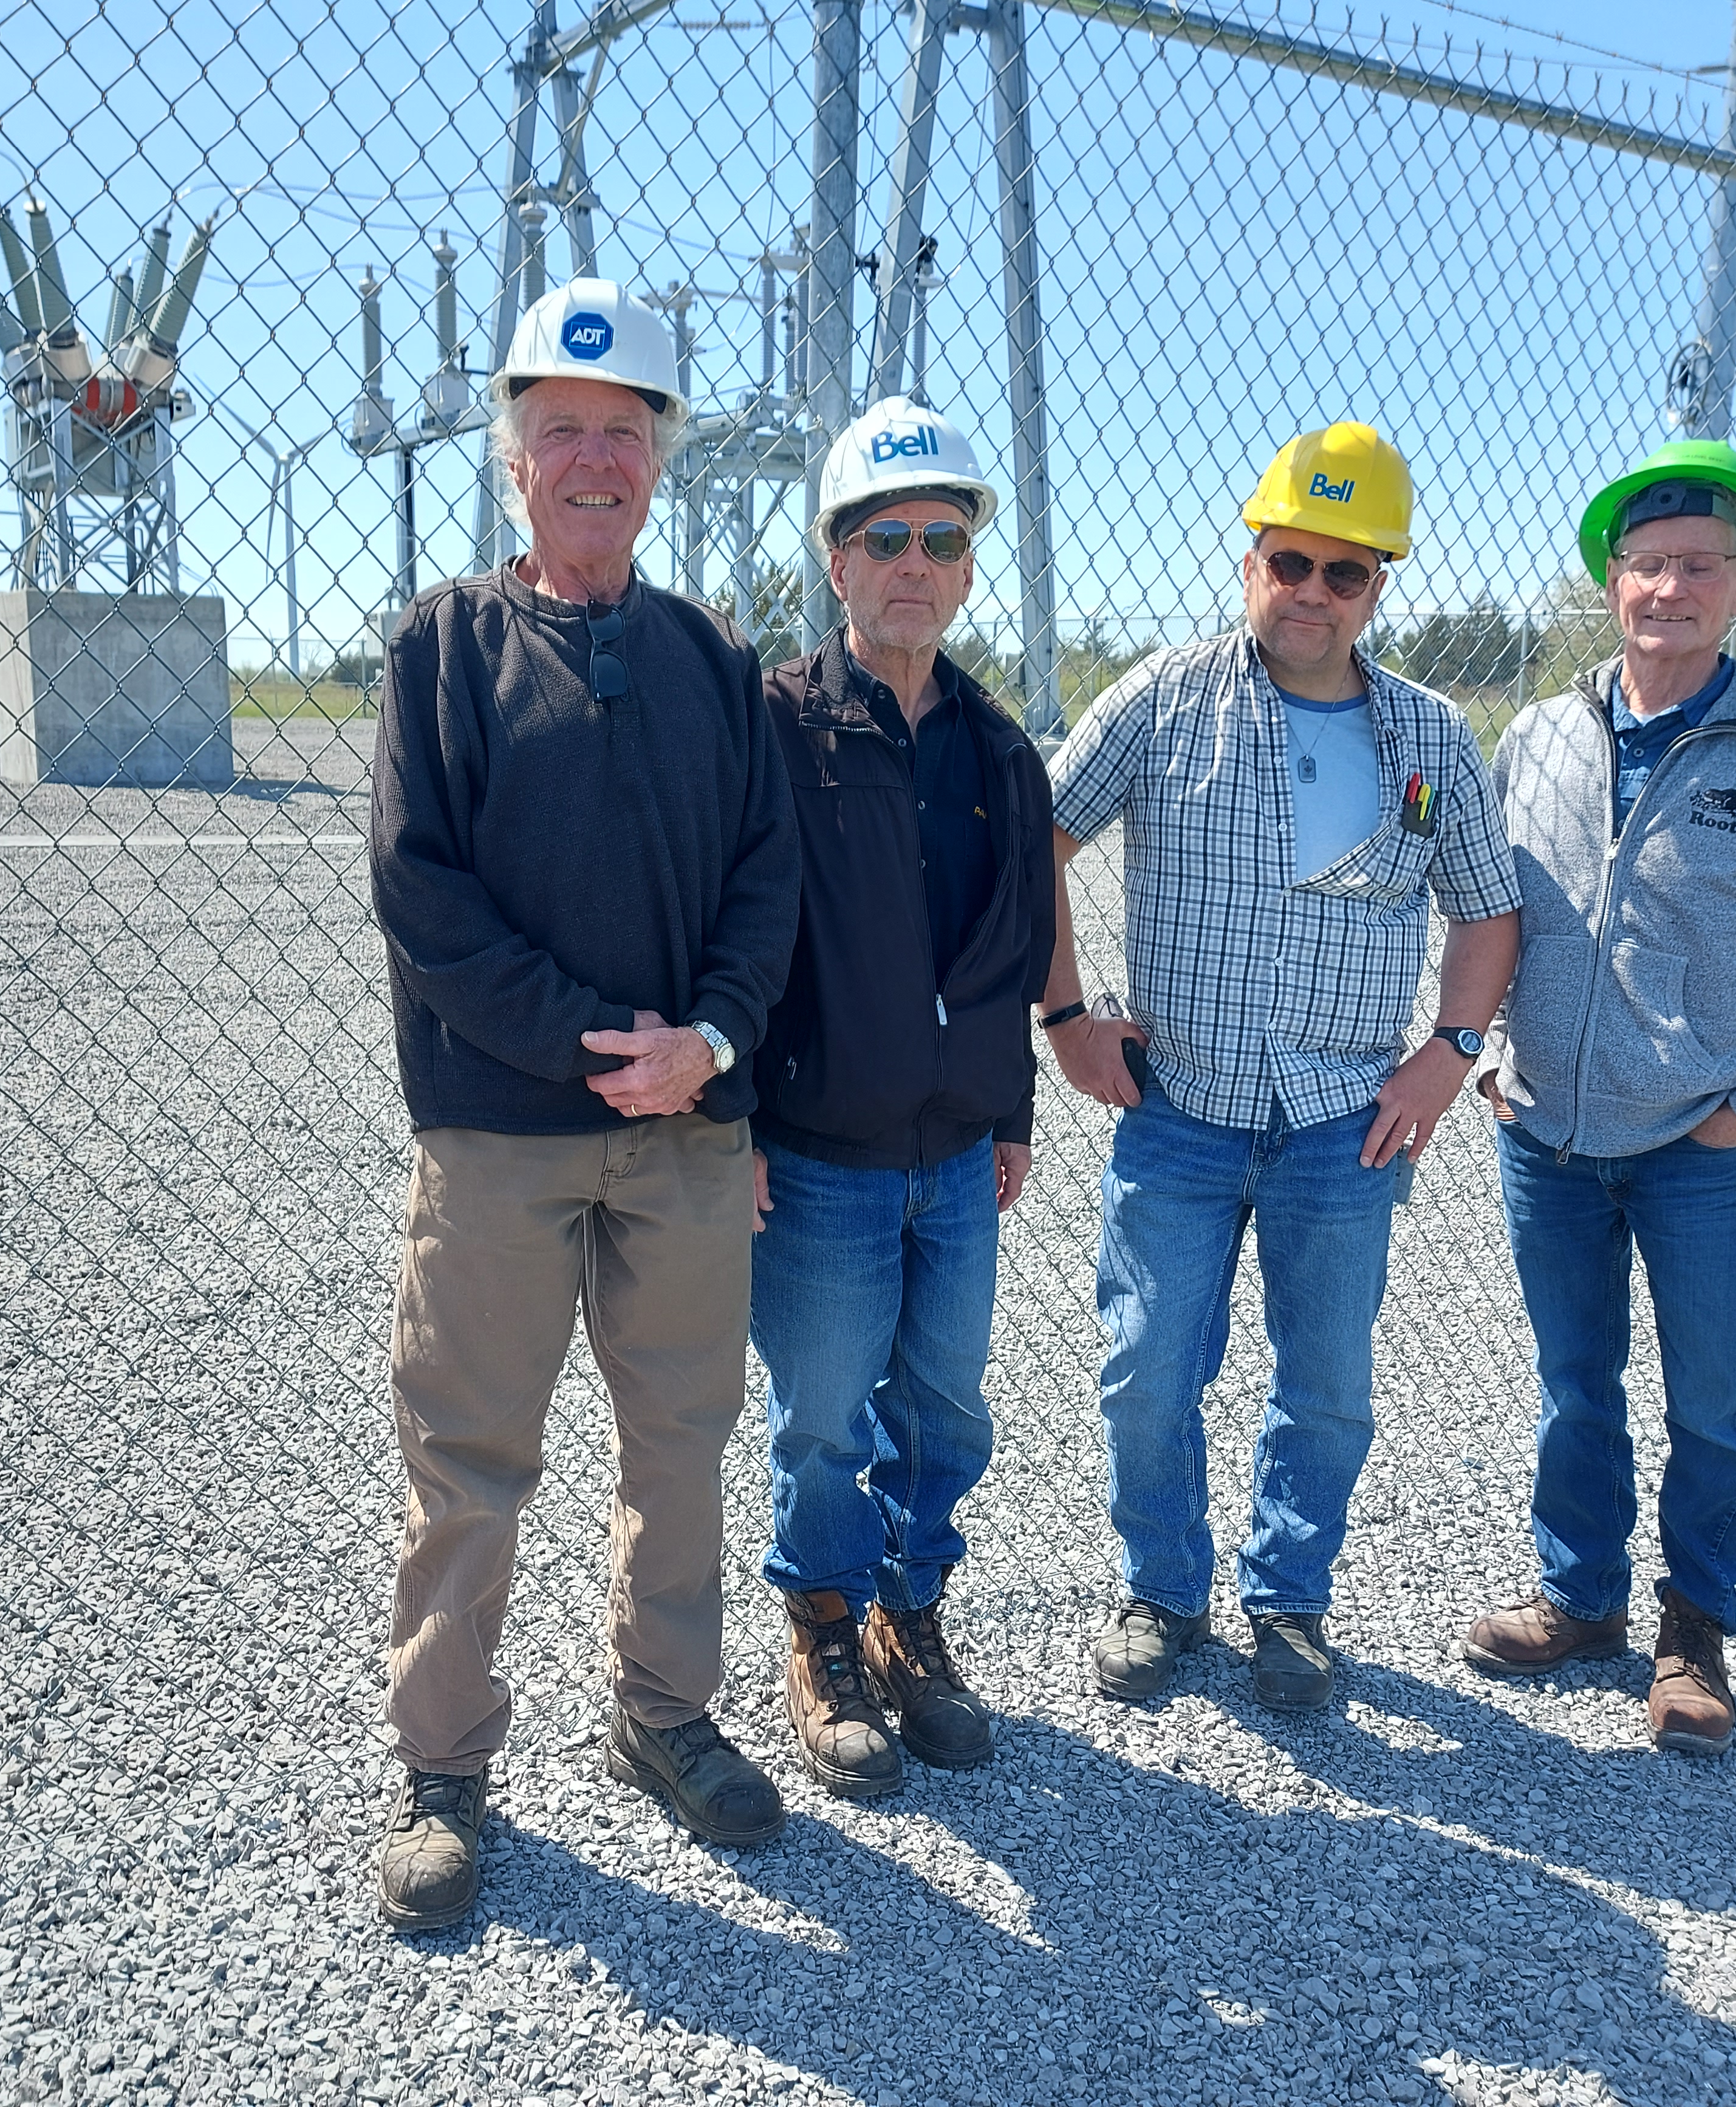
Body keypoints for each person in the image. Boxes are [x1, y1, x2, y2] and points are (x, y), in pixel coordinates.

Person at [366, 278, 801, 1930]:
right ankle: (445, 1767)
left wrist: (710, 1036)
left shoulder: (708, 655)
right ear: (515, 457)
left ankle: (663, 1717)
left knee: (679, 1437)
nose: (597, 460)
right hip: (499, 1131)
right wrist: (584, 1038)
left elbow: (767, 879)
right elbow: (422, 891)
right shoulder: (447, 646)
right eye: (564, 432)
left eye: (627, 432)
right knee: (471, 1450)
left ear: (662, 458)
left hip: (689, 1129)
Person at [1040, 422, 1523, 1713]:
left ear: (1378, 586)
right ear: (1247, 560)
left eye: (1342, 572)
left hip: (1342, 1121)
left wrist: (1450, 1051)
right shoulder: (1160, 700)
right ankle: (1159, 1589)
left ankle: (1290, 1603)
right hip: (1180, 1106)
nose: (1309, 592)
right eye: (1287, 561)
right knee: (1146, 1373)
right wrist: (1067, 1018)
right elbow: (1035, 841)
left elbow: (1484, 909)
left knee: (1324, 1384)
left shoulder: (1428, 738)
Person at [1460, 440, 1736, 1758]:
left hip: (1703, 1152)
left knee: (1714, 1398)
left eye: (1695, 567)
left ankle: (1693, 1631)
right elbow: (1486, 908)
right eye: (1645, 565)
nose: (1667, 588)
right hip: (1545, 1132)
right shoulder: (1539, 733)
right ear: (1611, 581)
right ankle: (1581, 1598)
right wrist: (1482, 1050)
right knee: (1571, 1380)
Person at [749, 398, 1058, 1797]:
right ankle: (818, 1624)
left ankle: (905, 1611)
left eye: (941, 538)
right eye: (886, 538)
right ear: (835, 560)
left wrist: (1009, 1112)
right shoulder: (774, 729)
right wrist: (732, 1123)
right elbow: (730, 936)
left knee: (942, 1403)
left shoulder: (996, 749)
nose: (914, 564)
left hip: (953, 1151)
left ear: (967, 564)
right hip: (818, 1153)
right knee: (823, 1410)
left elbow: (1009, 943)